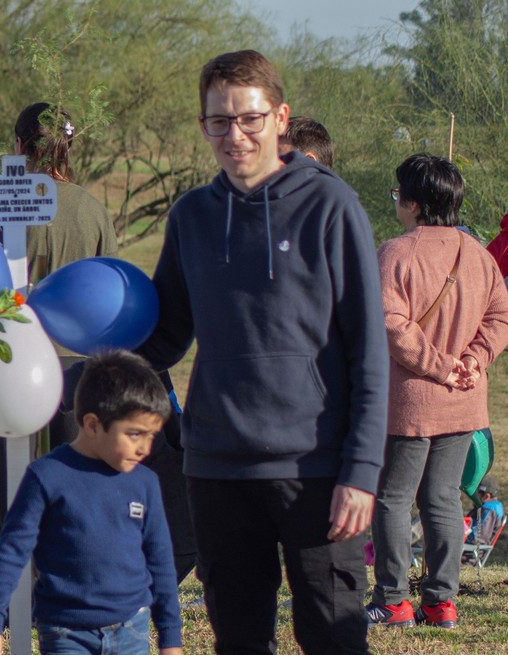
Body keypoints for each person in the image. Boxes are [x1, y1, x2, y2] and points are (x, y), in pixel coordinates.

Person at [138, 50, 388, 654]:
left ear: (280, 117)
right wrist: (84, 356)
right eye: (218, 121)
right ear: (203, 125)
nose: (235, 135)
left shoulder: (331, 208)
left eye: (249, 119)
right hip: (217, 469)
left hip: (317, 471)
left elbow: (369, 353)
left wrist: (360, 473)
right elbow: (165, 335)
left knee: (333, 639)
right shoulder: (193, 217)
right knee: (239, 642)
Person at [0, 101, 120, 562]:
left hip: (9, 364)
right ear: (69, 145)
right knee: (77, 484)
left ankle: (12, 593)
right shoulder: (94, 210)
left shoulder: (1, 204)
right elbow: (112, 295)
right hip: (80, 368)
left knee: (10, 486)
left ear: (19, 146)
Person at [367, 153, 508, 629]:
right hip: (465, 400)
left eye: (398, 194)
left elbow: (390, 325)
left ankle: (393, 600)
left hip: (411, 401)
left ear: (414, 203)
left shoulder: (394, 253)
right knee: (443, 499)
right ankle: (440, 603)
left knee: (392, 497)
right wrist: (472, 361)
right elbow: (500, 319)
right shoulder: (481, 256)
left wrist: (443, 367)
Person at [0, 350, 182, 655]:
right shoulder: (46, 476)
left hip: (132, 631)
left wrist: (170, 638)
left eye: (151, 436)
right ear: (93, 424)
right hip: (65, 634)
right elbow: (11, 553)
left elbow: (160, 561)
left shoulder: (144, 483)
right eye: (135, 434)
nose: (145, 448)